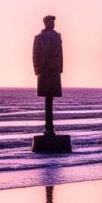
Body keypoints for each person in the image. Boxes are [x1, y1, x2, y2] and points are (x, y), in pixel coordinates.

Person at [32, 15, 71, 153]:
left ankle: (50, 127)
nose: (52, 23)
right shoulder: (39, 37)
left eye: (53, 21)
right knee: (47, 99)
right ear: (45, 22)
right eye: (50, 21)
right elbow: (35, 55)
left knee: (51, 99)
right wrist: (38, 71)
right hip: (45, 72)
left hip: (54, 72)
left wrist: (60, 69)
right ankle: (48, 127)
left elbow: (60, 54)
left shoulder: (57, 36)